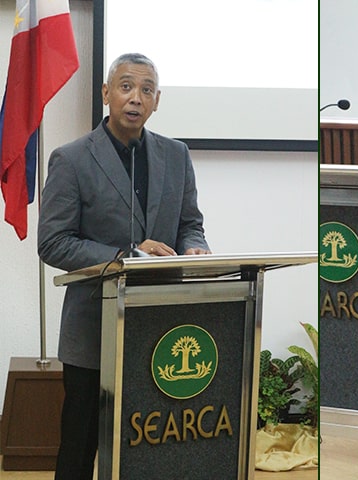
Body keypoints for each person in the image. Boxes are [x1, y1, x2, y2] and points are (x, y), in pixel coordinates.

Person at [37, 53, 212, 480]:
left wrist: (194, 248)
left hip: (159, 328)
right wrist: (128, 254)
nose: (136, 98)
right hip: (93, 330)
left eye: (146, 90)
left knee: (150, 442)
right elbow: (53, 242)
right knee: (79, 447)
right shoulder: (71, 158)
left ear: (157, 101)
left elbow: (191, 224)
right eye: (126, 86)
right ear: (106, 94)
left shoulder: (176, 155)